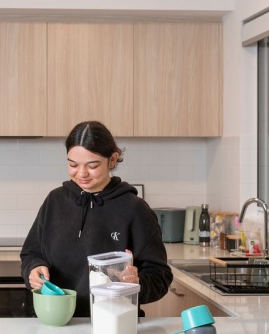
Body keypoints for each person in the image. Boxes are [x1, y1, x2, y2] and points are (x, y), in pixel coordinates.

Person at [20, 121, 172, 317]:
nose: (81, 173)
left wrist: (136, 283)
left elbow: (160, 276)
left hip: (115, 322)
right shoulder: (54, 201)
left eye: (92, 166)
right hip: (55, 321)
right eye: (73, 165)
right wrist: (33, 270)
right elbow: (31, 254)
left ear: (113, 159)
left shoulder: (135, 209)